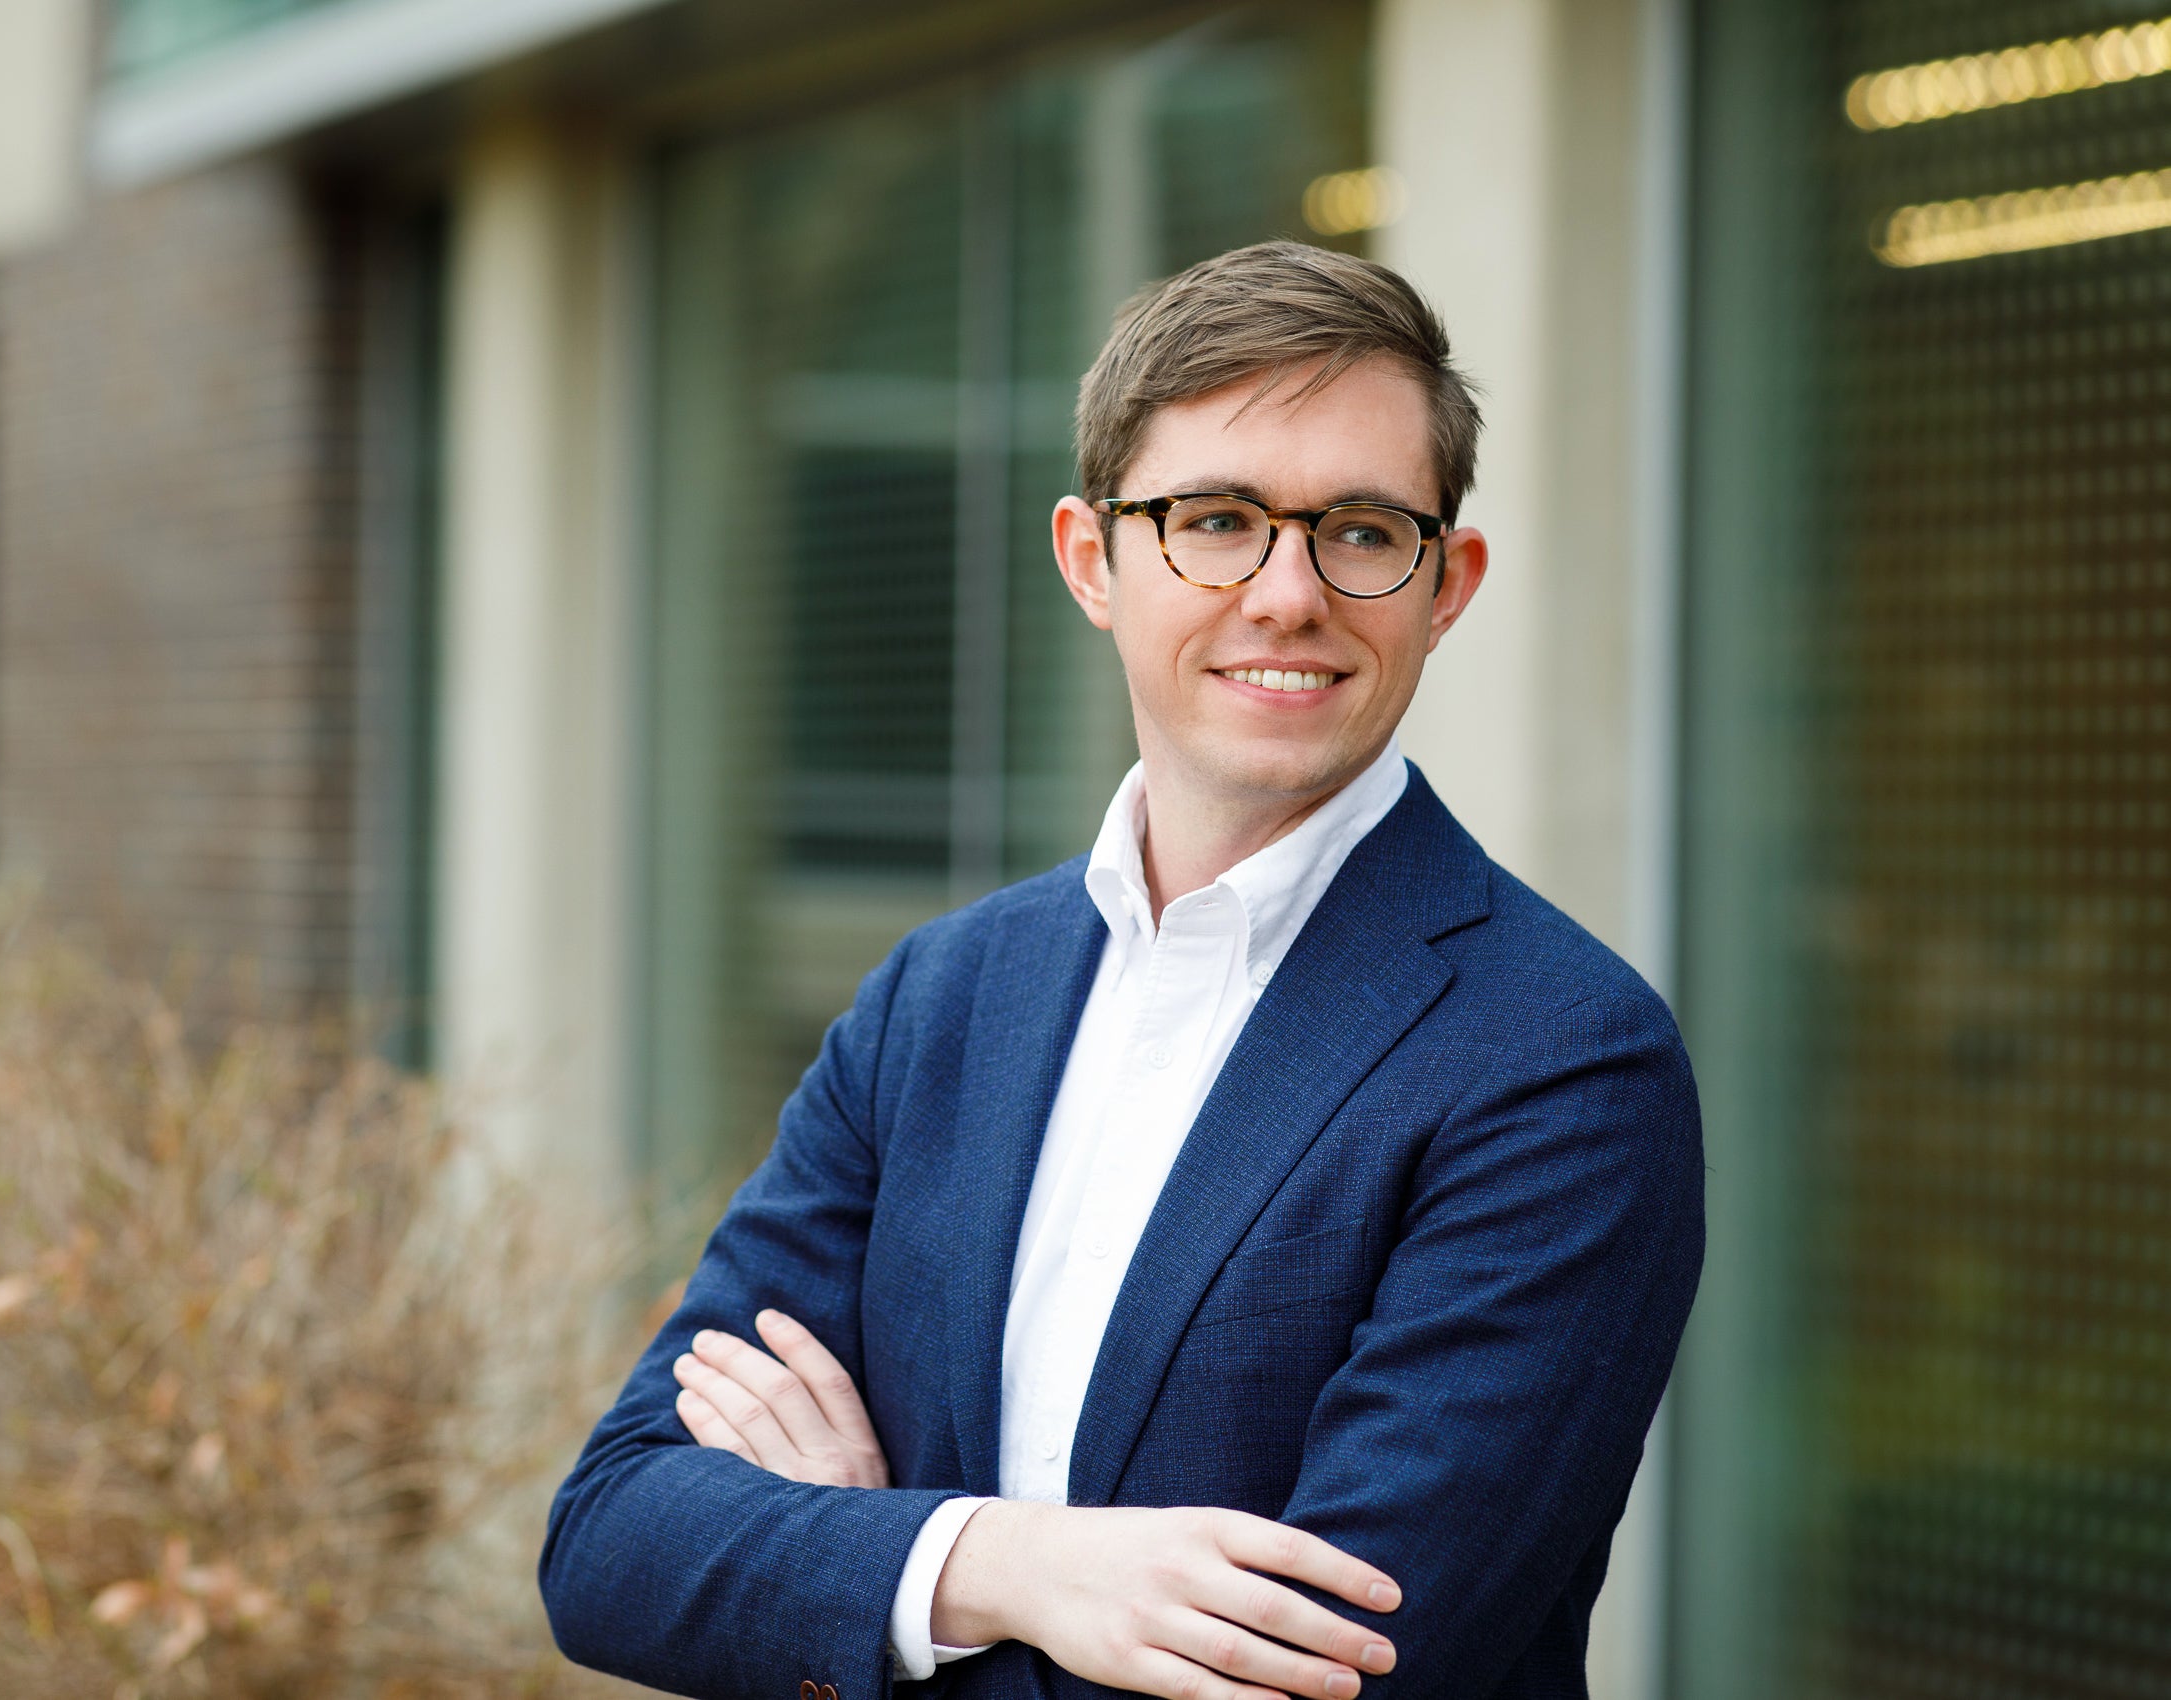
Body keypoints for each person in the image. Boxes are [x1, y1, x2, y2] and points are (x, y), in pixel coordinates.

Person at [540, 240, 1704, 1700]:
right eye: (1213, 520)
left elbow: (1338, 1673)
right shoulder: (940, 1002)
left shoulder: (1559, 1056)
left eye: (1358, 530)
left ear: (1444, 582)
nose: (1286, 595)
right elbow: (611, 1542)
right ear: (1092, 561)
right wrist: (1007, 1566)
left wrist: (855, 1557)